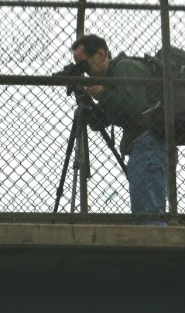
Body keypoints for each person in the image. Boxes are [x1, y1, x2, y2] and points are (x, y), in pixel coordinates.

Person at [70, 34, 176, 225]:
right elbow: (100, 122)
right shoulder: (111, 81)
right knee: (144, 212)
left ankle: (153, 252)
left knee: (148, 214)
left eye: (84, 64)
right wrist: (86, 99)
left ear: (101, 54)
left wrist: (101, 93)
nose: (83, 71)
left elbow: (133, 106)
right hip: (143, 146)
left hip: (149, 143)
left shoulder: (125, 67)